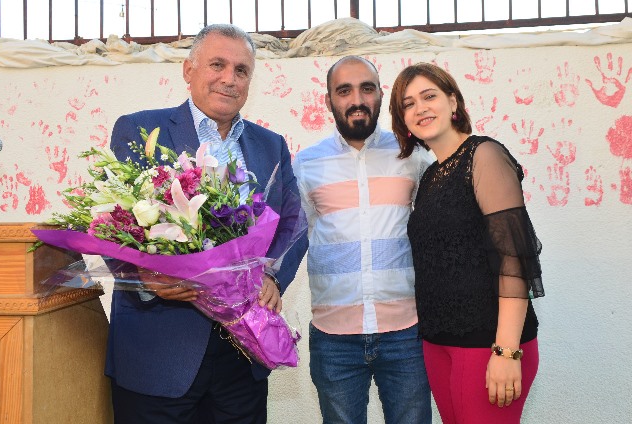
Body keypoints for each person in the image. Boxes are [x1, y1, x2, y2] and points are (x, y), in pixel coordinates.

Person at [107, 24, 307, 424]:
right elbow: (113, 222)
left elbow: (292, 223)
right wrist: (146, 278)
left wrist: (271, 276)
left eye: (241, 70)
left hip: (242, 356)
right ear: (188, 70)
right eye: (217, 64)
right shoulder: (141, 131)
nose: (229, 78)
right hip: (160, 352)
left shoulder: (271, 146)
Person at [388, 62, 545, 424]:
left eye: (429, 96)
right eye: (408, 104)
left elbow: (514, 257)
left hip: (489, 343)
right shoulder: (430, 176)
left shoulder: (484, 155)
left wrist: (506, 351)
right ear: (403, 120)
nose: (420, 108)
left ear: (453, 101)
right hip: (438, 342)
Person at [293, 56, 433, 423]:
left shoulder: (413, 156)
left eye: (366, 88)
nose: (357, 99)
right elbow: (291, 240)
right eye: (344, 91)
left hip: (406, 335)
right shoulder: (306, 164)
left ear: (380, 95)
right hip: (334, 339)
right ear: (328, 101)